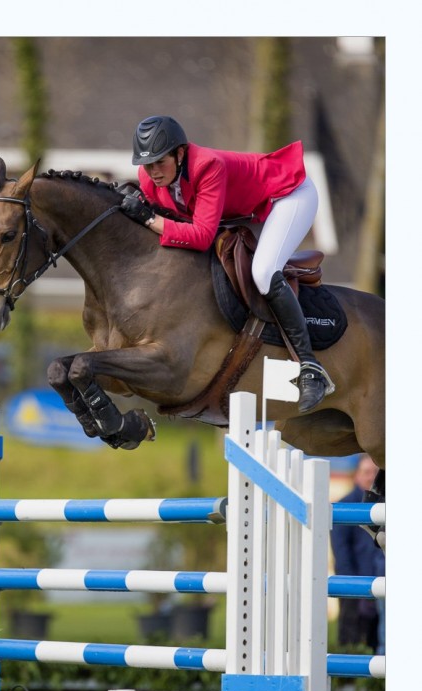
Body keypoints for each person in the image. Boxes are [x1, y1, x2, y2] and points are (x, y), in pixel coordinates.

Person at [120, 115, 334, 413]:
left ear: (180, 153)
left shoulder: (207, 166)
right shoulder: (150, 179)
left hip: (288, 195)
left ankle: (310, 367)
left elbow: (201, 235)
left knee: (263, 272)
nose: (154, 172)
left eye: (159, 162)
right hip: (248, 211)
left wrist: (148, 218)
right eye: (147, 165)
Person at [330, 454, 385, 653]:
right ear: (356, 476)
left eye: (375, 473)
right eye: (366, 472)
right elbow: (342, 554)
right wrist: (354, 588)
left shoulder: (383, 504)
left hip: (380, 580)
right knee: (351, 641)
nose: (371, 477)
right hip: (353, 585)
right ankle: (347, 682)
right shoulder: (342, 506)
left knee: (378, 642)